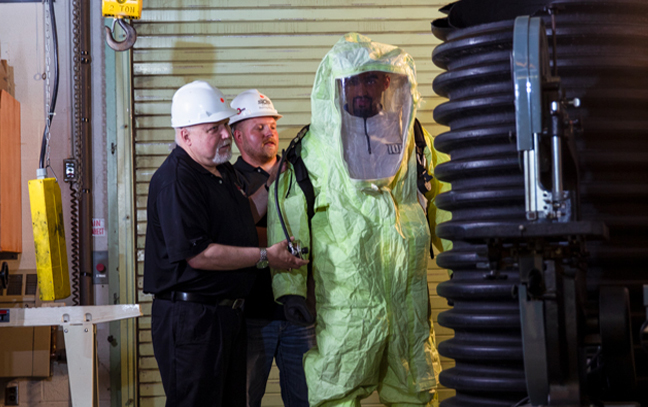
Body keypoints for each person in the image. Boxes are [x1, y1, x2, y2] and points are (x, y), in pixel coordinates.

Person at [267, 33, 452, 407]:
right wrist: (289, 287)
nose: (361, 90)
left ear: (389, 82)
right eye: (353, 81)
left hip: (408, 296)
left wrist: (464, 257)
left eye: (371, 79)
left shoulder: (414, 138)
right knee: (337, 388)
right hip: (347, 299)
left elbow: (444, 199)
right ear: (338, 85)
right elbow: (288, 214)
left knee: (415, 386)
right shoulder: (313, 147)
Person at [143, 80, 308, 407]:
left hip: (226, 317)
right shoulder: (177, 180)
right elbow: (199, 255)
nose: (224, 135)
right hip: (192, 321)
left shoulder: (220, 172)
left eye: (223, 126)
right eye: (213, 129)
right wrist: (266, 256)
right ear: (185, 135)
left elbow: (243, 213)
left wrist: (272, 183)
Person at [229, 89, 316, 407]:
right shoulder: (230, 179)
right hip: (252, 316)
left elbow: (316, 230)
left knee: (305, 399)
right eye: (259, 128)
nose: (270, 134)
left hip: (299, 314)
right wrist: (285, 239)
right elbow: (234, 237)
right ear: (238, 136)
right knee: (245, 399)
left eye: (273, 127)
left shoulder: (300, 173)